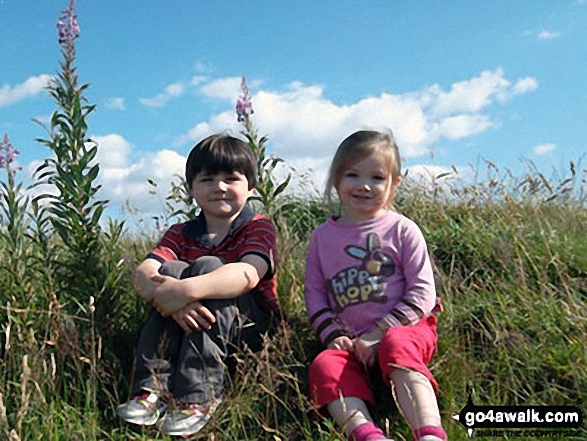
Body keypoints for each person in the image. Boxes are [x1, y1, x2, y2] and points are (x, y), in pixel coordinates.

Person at [117, 134, 279, 437]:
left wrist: (184, 292)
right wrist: (170, 298)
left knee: (208, 268)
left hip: (249, 331)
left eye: (231, 178)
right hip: (193, 320)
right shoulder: (181, 232)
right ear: (192, 189)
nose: (219, 187)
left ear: (251, 187)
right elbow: (143, 273)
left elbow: (248, 273)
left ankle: (198, 394)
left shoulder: (257, 226)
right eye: (207, 179)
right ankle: (153, 387)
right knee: (171, 268)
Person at [304, 130, 446, 441]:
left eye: (377, 178)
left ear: (394, 184)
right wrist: (333, 335)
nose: (364, 185)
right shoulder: (322, 238)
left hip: (406, 329)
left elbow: (423, 293)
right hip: (351, 342)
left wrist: (379, 332)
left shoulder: (402, 229)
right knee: (325, 366)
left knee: (398, 345)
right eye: (352, 174)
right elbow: (315, 295)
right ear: (336, 180)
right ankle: (367, 433)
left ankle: (429, 432)